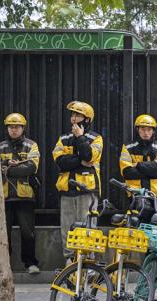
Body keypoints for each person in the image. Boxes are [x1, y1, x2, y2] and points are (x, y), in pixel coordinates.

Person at [52, 101, 103, 263]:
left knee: (87, 228)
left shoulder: (96, 138)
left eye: (78, 115)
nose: (74, 118)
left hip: (87, 191)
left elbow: (89, 156)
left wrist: (80, 138)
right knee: (67, 229)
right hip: (67, 190)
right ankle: (69, 261)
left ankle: (88, 261)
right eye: (72, 115)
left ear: (87, 119)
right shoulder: (63, 138)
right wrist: (79, 161)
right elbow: (60, 161)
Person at [0, 113, 40, 274]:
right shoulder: (0, 146)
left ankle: (30, 263)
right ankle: (4, 266)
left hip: (25, 196)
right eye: (11, 127)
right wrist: (6, 165)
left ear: (23, 128)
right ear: (7, 128)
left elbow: (32, 167)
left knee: (28, 232)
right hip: (4, 196)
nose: (14, 130)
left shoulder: (31, 146)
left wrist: (7, 169)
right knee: (3, 235)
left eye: (17, 127)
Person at [120, 114, 157, 222]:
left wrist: (137, 165)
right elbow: (127, 172)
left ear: (153, 131)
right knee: (136, 225)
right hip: (136, 196)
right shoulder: (128, 148)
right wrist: (151, 169)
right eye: (143, 129)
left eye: (149, 130)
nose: (146, 133)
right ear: (137, 130)